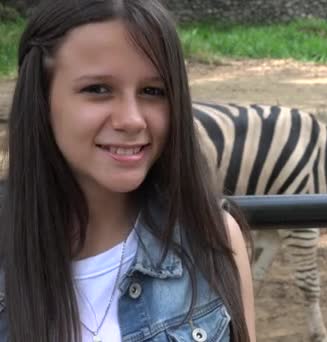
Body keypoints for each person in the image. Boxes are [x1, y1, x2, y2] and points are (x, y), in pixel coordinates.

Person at [0, 0, 255, 341]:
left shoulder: (213, 237)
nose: (132, 120)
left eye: (153, 91)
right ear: (41, 99)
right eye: (98, 89)